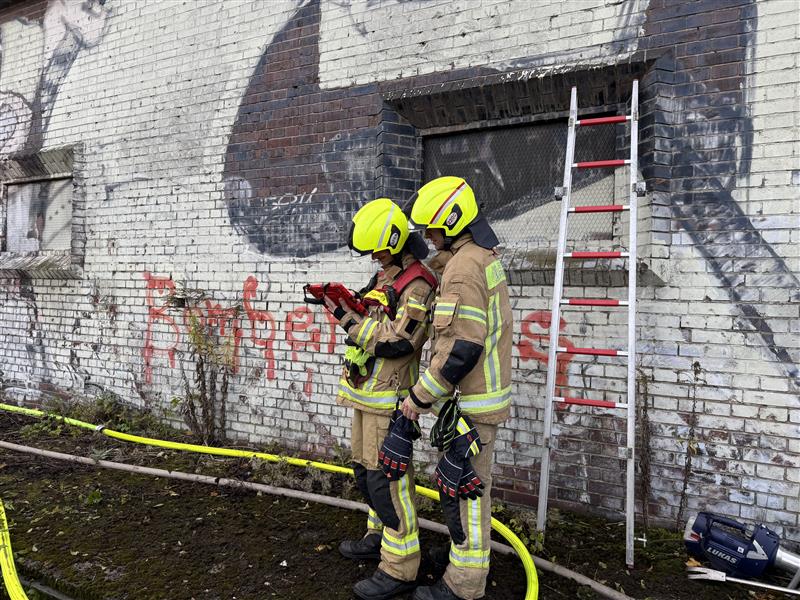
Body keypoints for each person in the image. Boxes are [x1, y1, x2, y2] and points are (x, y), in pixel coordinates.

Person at [400, 176, 513, 600]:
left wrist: (418, 398)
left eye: (431, 229)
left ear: (451, 222)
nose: (427, 238)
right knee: (462, 490)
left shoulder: (464, 269)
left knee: (465, 496)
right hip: (479, 402)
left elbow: (462, 348)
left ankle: (463, 586)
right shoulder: (479, 257)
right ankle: (458, 564)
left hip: (473, 406)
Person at [325, 197, 437, 600]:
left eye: (379, 248)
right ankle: (378, 537)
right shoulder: (385, 276)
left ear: (396, 240)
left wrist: (349, 323)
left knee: (389, 484)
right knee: (365, 475)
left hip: (389, 399)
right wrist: (344, 304)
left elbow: (399, 342)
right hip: (364, 394)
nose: (374, 255)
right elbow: (372, 319)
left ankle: (400, 567)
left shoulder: (418, 284)